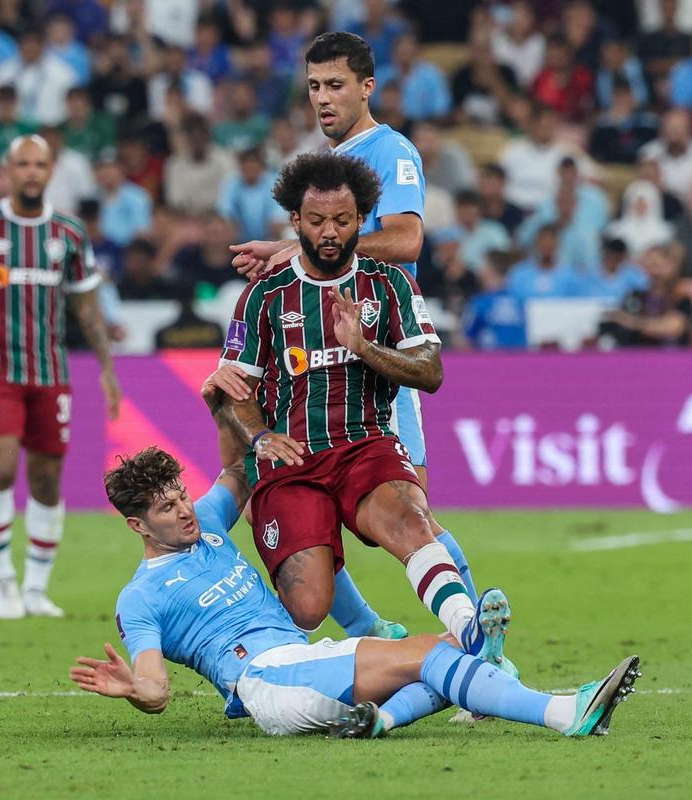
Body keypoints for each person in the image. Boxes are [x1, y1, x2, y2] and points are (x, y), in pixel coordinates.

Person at [75, 438, 639, 737]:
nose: (183, 511)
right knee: (434, 653)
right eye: (165, 509)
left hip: (300, 660)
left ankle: (384, 719)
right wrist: (134, 690)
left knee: (441, 656)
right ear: (138, 526)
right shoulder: (141, 597)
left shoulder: (210, 524)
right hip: (266, 679)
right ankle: (565, 713)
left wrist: (225, 397)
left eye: (179, 495)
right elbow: (156, 687)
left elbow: (241, 465)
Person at [226, 33, 479, 646]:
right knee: (313, 519)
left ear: (368, 87)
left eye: (336, 85)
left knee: (415, 517)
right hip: (316, 365)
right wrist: (296, 253)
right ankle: (389, 634)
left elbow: (406, 240)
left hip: (380, 362)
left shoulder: (389, 150)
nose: (323, 98)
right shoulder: (330, 160)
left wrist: (303, 245)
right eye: (313, 86)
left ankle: (481, 652)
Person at [215, 153, 510, 678]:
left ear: (363, 217)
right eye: (317, 221)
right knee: (307, 605)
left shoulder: (389, 282)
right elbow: (234, 386)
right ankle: (343, 650)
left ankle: (470, 631)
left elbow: (430, 370)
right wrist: (259, 437)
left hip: (365, 444)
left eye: (343, 221)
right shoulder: (263, 296)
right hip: (294, 459)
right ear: (295, 221)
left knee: (409, 520)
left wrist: (364, 346)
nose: (330, 232)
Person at [0, 135, 121, 619]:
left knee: (46, 480)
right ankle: (2, 582)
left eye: (40, 164)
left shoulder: (69, 233)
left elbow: (86, 304)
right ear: (8, 168)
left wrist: (107, 369)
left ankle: (36, 588)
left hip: (51, 371)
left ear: (52, 169)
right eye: (23, 164)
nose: (32, 172)